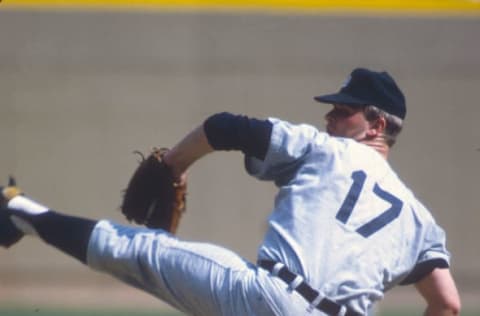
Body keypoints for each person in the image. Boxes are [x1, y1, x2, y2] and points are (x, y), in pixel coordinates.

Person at [0, 68, 461, 316]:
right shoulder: (420, 222)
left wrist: (172, 165)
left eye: (342, 112)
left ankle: (16, 211)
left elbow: (223, 126)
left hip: (266, 299)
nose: (330, 120)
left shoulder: (327, 150)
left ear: (377, 125)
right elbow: (447, 304)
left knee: (137, 252)